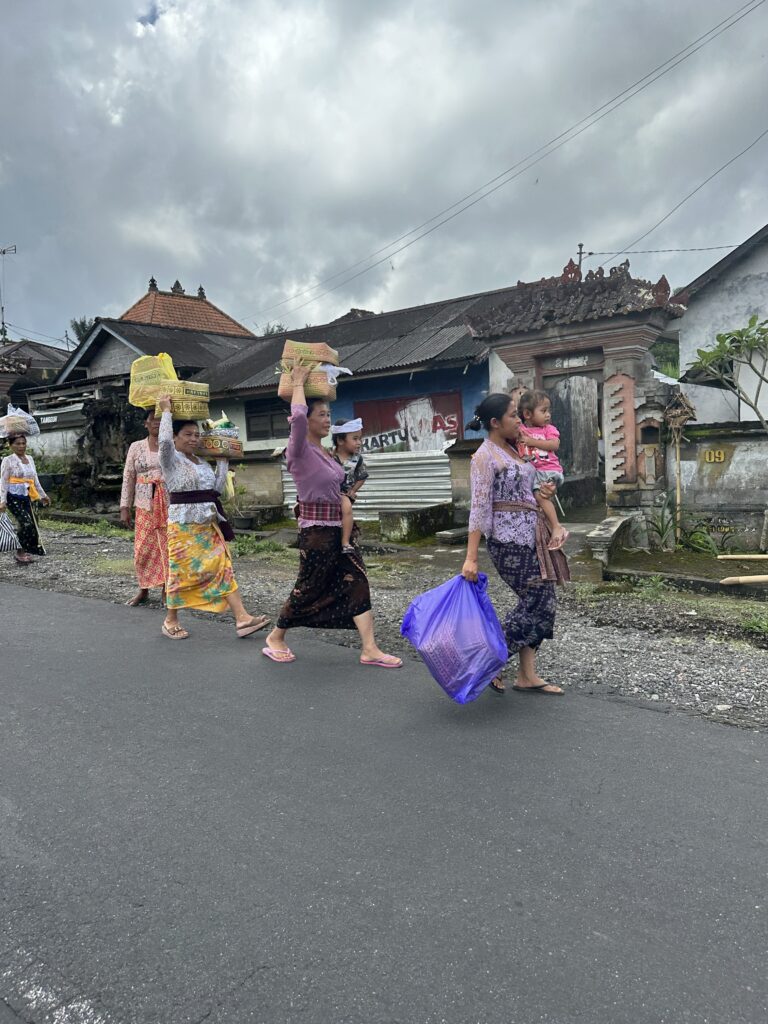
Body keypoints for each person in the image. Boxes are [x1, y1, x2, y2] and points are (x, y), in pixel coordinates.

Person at [263, 364, 401, 667]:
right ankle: (276, 636)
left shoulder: (325, 452)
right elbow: (297, 417)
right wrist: (298, 383)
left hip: (340, 530)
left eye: (329, 414)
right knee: (309, 587)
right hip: (316, 532)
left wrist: (347, 497)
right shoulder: (298, 450)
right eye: (322, 415)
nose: (328, 420)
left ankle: (370, 648)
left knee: (357, 581)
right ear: (308, 420)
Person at [461, 393, 569, 696]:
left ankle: (526, 676)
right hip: (507, 541)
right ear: (495, 422)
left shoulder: (515, 449)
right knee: (539, 601)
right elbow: (479, 507)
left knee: (540, 602)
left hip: (533, 536)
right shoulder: (484, 456)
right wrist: (471, 557)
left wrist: (543, 494)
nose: (519, 420)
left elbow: (528, 492)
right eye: (513, 415)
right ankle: (490, 660)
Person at [156, 395, 270, 640]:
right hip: (183, 528)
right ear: (175, 436)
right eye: (188, 434)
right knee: (181, 573)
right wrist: (166, 412)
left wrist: (222, 460)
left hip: (208, 526)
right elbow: (163, 443)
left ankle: (242, 618)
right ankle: (170, 620)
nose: (194, 438)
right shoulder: (170, 460)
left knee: (223, 568)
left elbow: (216, 490)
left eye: (196, 434)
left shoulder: (201, 463)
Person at [120, 411, 169, 606]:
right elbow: (128, 476)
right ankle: (143, 588)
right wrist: (124, 506)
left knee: (167, 547)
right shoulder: (136, 447)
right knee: (142, 548)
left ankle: (166, 589)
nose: (157, 423)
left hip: (167, 503)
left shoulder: (171, 445)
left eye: (161, 420)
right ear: (145, 424)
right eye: (153, 420)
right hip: (144, 504)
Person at [517, 388, 569, 545]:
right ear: (527, 414)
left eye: (548, 411)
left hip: (549, 470)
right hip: (538, 472)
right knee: (537, 498)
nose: (548, 415)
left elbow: (554, 444)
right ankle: (549, 528)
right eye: (543, 411)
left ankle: (557, 526)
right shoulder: (522, 430)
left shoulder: (549, 429)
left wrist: (531, 442)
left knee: (540, 495)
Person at [0, 433, 50, 564]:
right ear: (11, 445)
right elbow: (3, 481)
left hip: (27, 495)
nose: (21, 446)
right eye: (17, 443)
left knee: (32, 523)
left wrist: (43, 495)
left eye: (23, 443)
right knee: (26, 522)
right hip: (13, 496)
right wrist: (2, 501)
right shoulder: (8, 460)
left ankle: (27, 548)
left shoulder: (30, 459)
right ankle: (19, 552)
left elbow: (34, 479)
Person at [331, 417, 369, 553]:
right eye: (355, 439)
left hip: (343, 493)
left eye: (360, 439)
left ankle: (345, 542)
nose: (359, 443)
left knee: (346, 507)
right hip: (328, 491)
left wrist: (353, 490)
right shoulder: (329, 456)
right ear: (340, 440)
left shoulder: (357, 459)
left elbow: (362, 476)